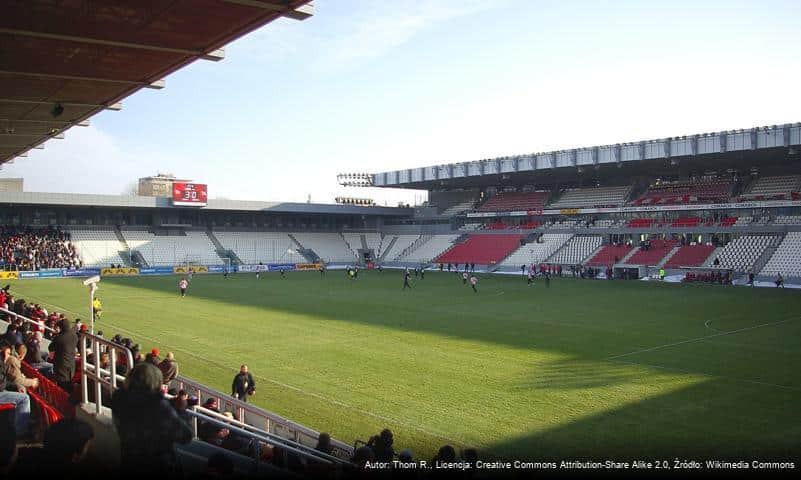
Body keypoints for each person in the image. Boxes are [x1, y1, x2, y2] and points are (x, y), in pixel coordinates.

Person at [111, 362, 192, 476]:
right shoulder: (157, 406)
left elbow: (140, 412)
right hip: (158, 465)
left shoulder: (119, 397)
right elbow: (185, 436)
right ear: (155, 382)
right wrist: (181, 410)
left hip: (129, 459)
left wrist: (168, 404)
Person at [49, 318, 77, 393]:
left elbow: (50, 348)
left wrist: (57, 335)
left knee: (62, 386)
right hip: (71, 363)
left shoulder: (59, 338)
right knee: (69, 383)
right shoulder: (74, 336)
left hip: (61, 365)